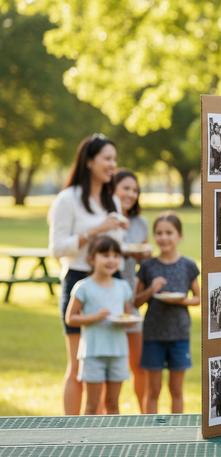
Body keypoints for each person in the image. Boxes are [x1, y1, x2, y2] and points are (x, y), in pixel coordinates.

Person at [48, 133, 128, 415]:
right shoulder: (66, 199)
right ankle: (72, 430)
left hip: (111, 283)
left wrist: (123, 241)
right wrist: (96, 229)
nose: (112, 165)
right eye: (107, 158)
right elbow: (57, 249)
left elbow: (113, 248)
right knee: (78, 365)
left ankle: (103, 431)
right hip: (78, 281)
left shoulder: (112, 201)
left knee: (106, 363)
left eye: (114, 160)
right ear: (90, 160)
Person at [134, 212, 200, 414]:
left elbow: (198, 298)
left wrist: (182, 300)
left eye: (169, 233)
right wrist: (151, 290)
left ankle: (177, 431)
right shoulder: (148, 266)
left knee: (176, 389)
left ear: (179, 236)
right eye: (159, 233)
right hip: (153, 335)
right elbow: (135, 302)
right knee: (153, 389)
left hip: (179, 335)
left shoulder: (188, 265)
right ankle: (151, 431)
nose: (163, 237)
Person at [65, 236, 134, 415]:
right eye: (105, 255)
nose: (111, 260)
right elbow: (70, 318)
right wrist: (94, 317)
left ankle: (115, 442)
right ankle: (87, 442)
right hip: (93, 353)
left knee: (113, 404)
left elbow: (128, 316)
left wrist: (127, 320)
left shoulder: (123, 286)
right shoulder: (83, 287)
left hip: (118, 352)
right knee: (92, 406)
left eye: (115, 255)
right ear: (91, 258)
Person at [113, 170, 149, 412]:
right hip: (106, 296)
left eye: (134, 190)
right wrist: (127, 250)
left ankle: (144, 412)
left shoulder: (140, 223)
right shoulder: (104, 218)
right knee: (111, 364)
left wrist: (145, 256)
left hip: (130, 296)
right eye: (125, 188)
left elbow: (142, 266)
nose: (130, 194)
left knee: (139, 363)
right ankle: (107, 414)